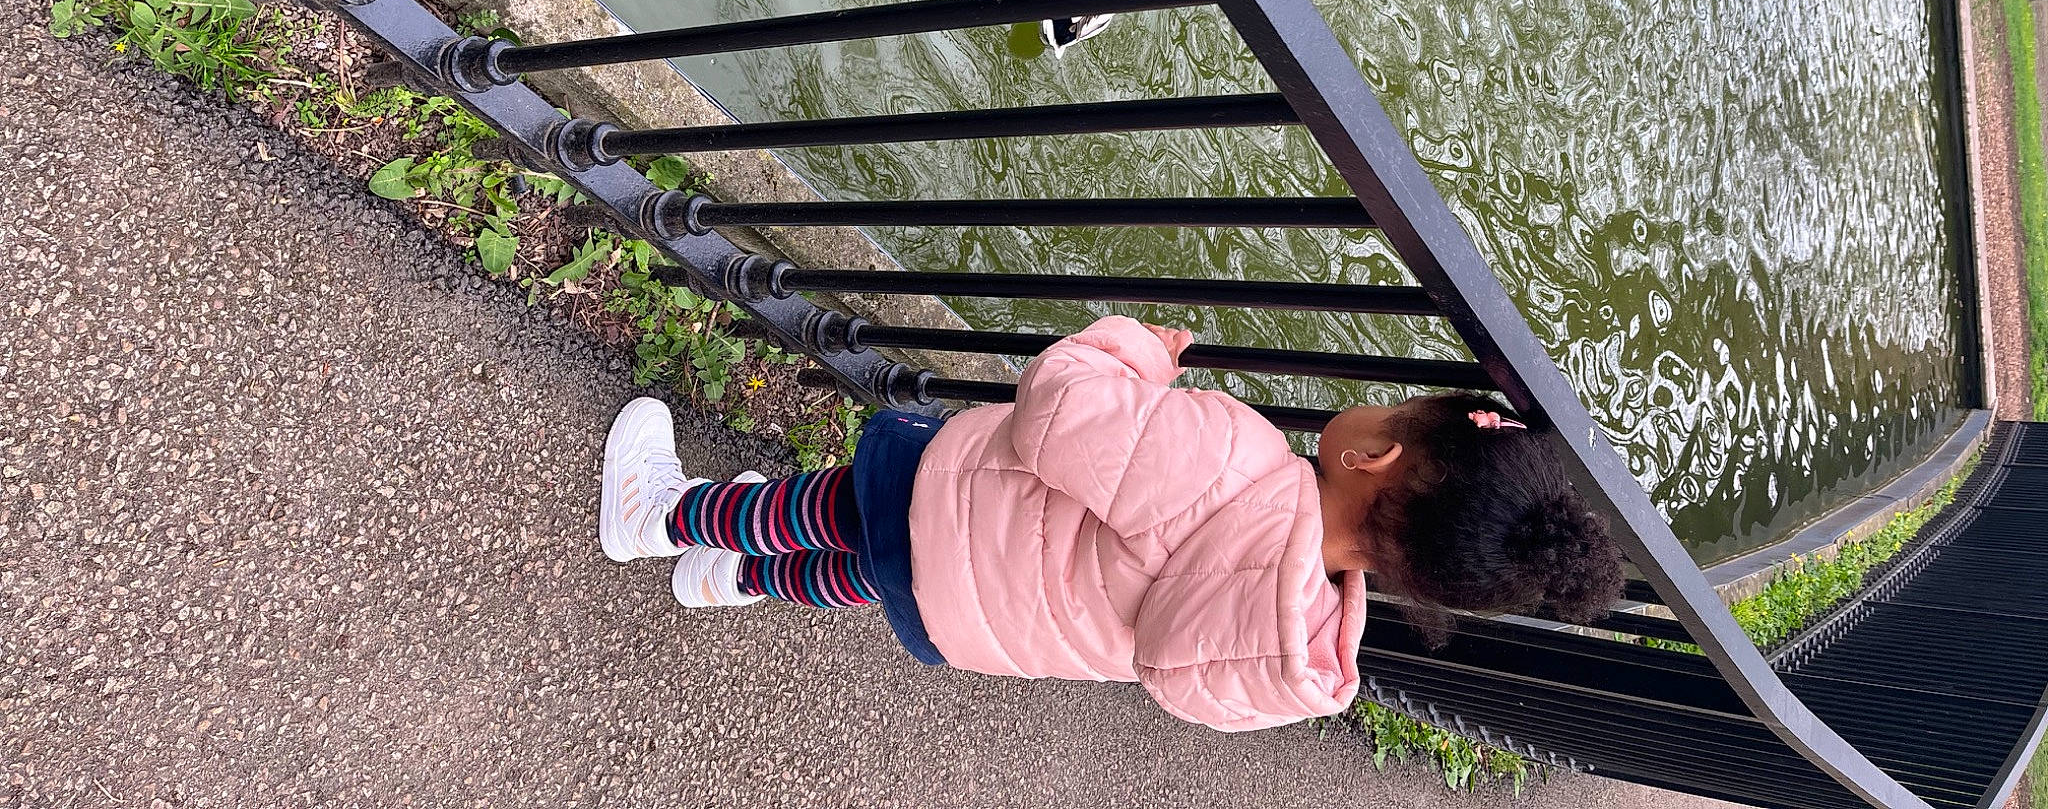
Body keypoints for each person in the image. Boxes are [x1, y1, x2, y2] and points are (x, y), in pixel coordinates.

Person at [598, 315, 1623, 731]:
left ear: (1373, 457)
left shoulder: (1235, 460)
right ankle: (727, 580)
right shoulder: (1302, 648)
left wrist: (1136, 351)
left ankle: (663, 517)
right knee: (860, 574)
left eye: (1394, 410)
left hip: (943, 508)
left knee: (811, 509)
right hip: (959, 622)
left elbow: (1058, 413)